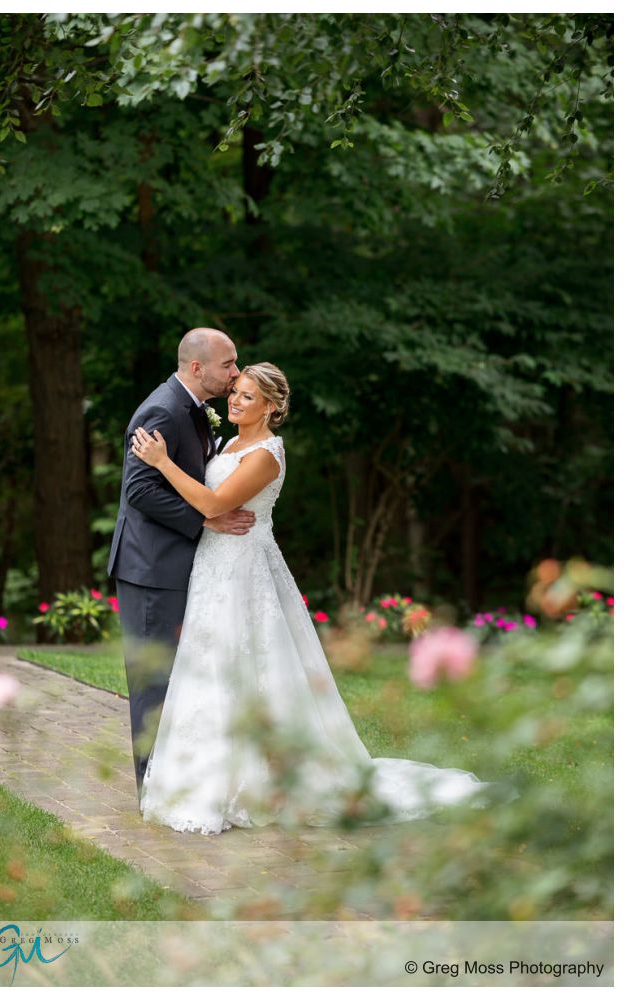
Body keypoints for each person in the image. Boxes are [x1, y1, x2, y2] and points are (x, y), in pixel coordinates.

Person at [131, 362, 500, 835]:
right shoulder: (227, 442)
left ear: (272, 406)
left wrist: (161, 464)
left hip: (244, 572)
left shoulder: (267, 453)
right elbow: (212, 509)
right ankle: (201, 780)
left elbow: (213, 504)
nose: (235, 402)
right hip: (213, 569)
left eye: (247, 397)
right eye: (235, 393)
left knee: (251, 665)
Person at [107, 328, 257, 804]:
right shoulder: (162, 410)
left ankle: (176, 783)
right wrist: (206, 519)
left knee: (178, 679)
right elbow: (139, 491)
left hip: (176, 564)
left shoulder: (193, 409)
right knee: (153, 683)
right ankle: (151, 793)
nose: (235, 373)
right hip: (150, 570)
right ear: (197, 368)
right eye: (228, 365)